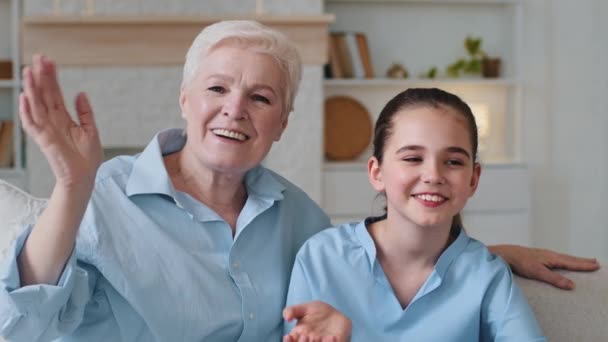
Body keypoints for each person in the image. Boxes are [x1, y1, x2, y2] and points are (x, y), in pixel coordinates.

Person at [0, 20, 598, 342]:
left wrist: (481, 256)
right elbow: (17, 326)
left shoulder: (298, 219)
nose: (235, 109)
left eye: (260, 97)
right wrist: (72, 189)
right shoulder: (104, 194)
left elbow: (373, 263)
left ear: (281, 123)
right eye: (217, 89)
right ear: (184, 99)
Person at [283, 88, 545, 341]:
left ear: (473, 179)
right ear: (377, 172)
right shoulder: (321, 258)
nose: (433, 175)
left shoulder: (487, 275)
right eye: (412, 158)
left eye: (453, 162)